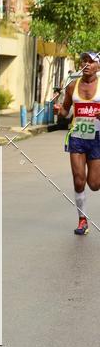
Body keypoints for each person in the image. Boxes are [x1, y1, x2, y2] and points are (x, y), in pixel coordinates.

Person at [56, 51, 100, 235]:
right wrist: (59, 111)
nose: (87, 64)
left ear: (98, 66)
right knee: (78, 180)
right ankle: (82, 220)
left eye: (91, 61)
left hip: (97, 138)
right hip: (77, 137)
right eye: (84, 60)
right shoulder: (72, 86)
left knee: (94, 184)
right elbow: (65, 111)